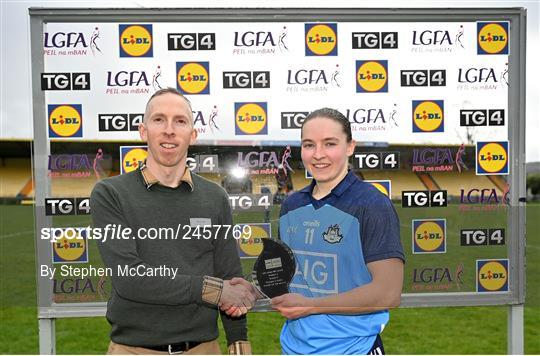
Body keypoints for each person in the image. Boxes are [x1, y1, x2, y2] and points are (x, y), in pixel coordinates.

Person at [90, 87, 257, 355]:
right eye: (159, 119)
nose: (169, 130)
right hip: (134, 350)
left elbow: (229, 277)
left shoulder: (215, 197)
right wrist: (214, 290)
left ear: (192, 135)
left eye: (180, 121)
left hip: (204, 349)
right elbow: (131, 278)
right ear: (143, 131)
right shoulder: (110, 193)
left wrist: (239, 344)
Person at [271, 108, 405, 355]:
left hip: (354, 348)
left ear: (350, 147)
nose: (318, 154)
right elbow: (286, 274)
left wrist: (312, 306)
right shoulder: (291, 205)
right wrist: (250, 288)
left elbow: (388, 293)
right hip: (294, 348)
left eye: (330, 143)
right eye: (309, 145)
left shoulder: (372, 204)